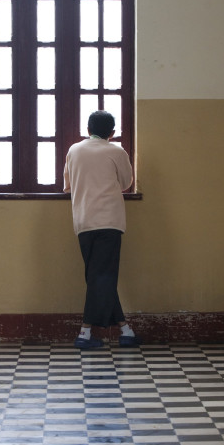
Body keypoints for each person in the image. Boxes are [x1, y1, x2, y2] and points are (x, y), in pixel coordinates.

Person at [63, 110, 140, 349]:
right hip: (109, 221)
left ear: (88, 130)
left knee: (97, 277)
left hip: (83, 221)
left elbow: (67, 185)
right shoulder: (116, 151)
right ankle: (84, 333)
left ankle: (126, 330)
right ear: (112, 133)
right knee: (103, 276)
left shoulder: (74, 151)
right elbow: (127, 183)